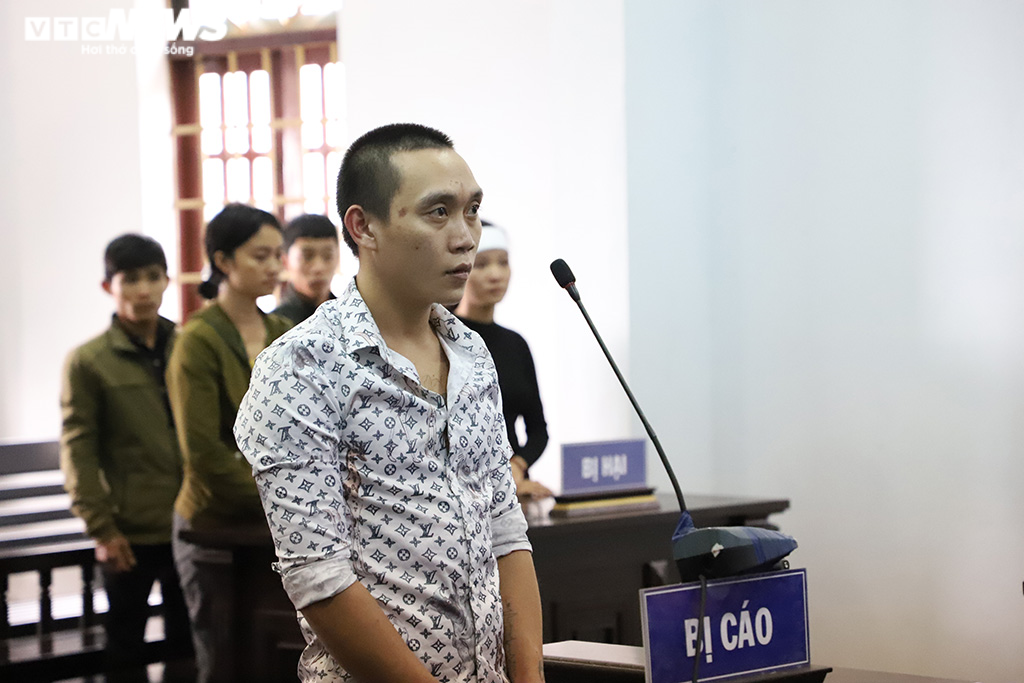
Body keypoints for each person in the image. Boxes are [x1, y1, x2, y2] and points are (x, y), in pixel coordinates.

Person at [234, 123, 545, 683]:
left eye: (472, 211)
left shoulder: (471, 352)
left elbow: (505, 531)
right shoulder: (303, 366)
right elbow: (320, 578)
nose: (465, 237)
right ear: (363, 227)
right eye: (438, 212)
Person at [167, 203, 292, 683]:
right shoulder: (197, 340)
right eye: (260, 256)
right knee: (223, 658)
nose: (274, 267)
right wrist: (284, 497)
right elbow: (204, 454)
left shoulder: (282, 332)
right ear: (222, 261)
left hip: (275, 522)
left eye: (278, 255)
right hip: (213, 523)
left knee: (275, 654)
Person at [59, 234, 192, 680]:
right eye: (130, 279)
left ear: (167, 281)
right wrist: (101, 528)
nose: (144, 290)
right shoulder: (89, 361)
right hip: (128, 533)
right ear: (108, 287)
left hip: (190, 523)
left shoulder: (188, 346)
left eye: (153, 277)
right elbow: (78, 449)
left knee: (189, 647)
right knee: (126, 649)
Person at [455, 222, 553, 502]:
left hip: (514, 493)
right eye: (482, 264)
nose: (496, 274)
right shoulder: (443, 338)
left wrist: (518, 465)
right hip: (465, 495)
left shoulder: (516, 344)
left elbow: (538, 431)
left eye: (503, 262)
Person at [274, 213, 341, 324]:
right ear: (285, 262)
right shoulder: (276, 325)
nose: (318, 268)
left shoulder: (350, 317)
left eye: (327, 256)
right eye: (307, 256)